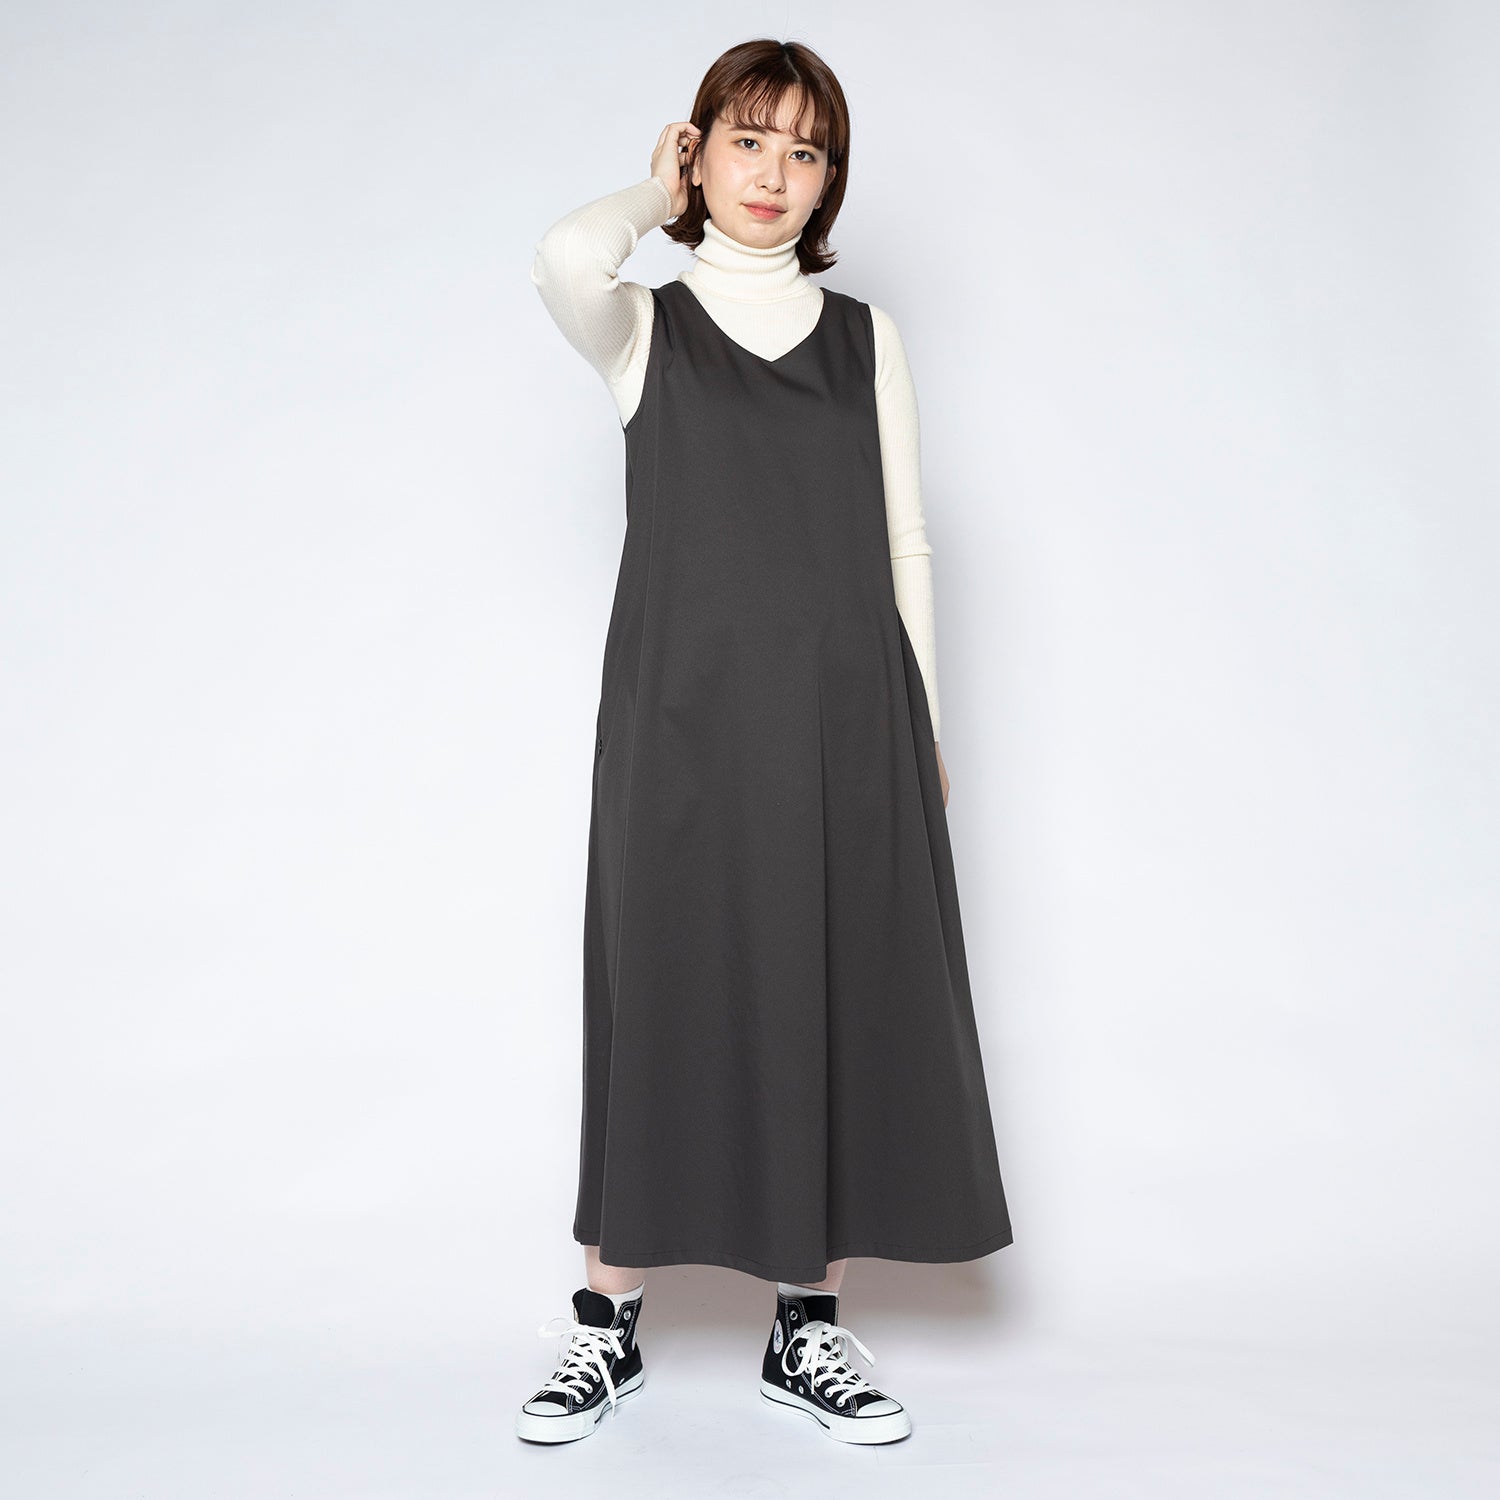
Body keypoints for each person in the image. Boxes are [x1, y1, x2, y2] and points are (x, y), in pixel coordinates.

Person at [516, 39, 1012, 1447]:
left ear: (828, 180)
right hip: (679, 721)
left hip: (846, 718)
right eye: (747, 140)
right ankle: (605, 1320)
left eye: (806, 151)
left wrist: (923, 725)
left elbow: (906, 537)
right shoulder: (646, 331)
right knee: (660, 981)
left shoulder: (866, 339)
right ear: (700, 152)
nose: (775, 173)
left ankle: (809, 1328)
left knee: (827, 987)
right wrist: (652, 191)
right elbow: (562, 257)